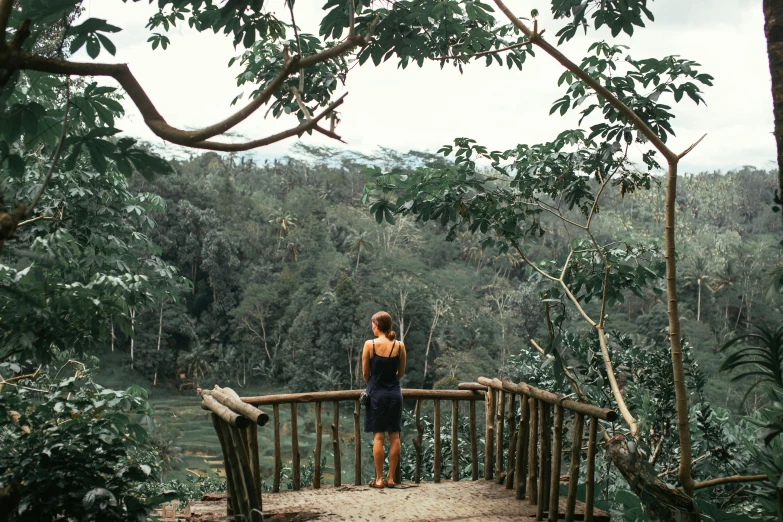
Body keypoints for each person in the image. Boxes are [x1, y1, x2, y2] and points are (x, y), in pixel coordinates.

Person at [362, 311, 407, 489]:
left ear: (378, 325)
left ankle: (379, 479)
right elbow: (401, 372)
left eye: (373, 323)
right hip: (395, 394)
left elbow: (366, 373)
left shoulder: (370, 345)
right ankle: (390, 478)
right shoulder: (399, 346)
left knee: (378, 437)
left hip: (377, 395)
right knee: (395, 436)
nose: (371, 326)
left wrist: (373, 384)